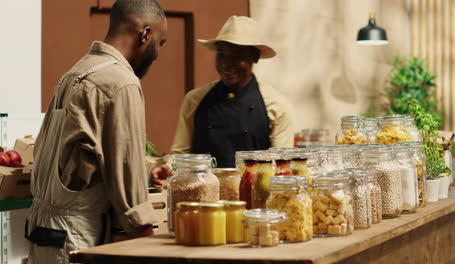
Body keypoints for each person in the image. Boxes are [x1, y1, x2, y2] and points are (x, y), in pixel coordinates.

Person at [26, 1, 167, 263]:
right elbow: (129, 194)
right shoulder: (121, 82)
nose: (158, 53)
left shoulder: (77, 72)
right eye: (161, 42)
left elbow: (81, 152)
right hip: (77, 240)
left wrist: (147, 169)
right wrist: (151, 245)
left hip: (44, 235)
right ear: (145, 34)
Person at [151, 15, 293, 179]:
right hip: (204, 197)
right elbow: (181, 153)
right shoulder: (195, 99)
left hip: (255, 199)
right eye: (221, 54)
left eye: (236, 56)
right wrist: (169, 168)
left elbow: (281, 165)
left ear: (254, 56)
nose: (226, 63)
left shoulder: (277, 105)